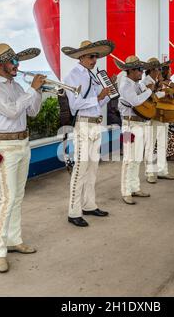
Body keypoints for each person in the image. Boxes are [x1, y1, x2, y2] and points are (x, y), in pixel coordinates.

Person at [0, 44, 45, 273]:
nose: (17, 66)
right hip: (4, 147)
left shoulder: (17, 86)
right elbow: (13, 111)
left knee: (19, 195)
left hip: (22, 144)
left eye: (17, 61)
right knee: (7, 198)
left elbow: (31, 111)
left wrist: (38, 91)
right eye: (12, 62)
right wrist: (32, 89)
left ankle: (14, 240)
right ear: (0, 64)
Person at [62, 40, 115, 227]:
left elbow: (97, 105)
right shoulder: (72, 76)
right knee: (80, 169)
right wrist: (98, 97)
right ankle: (73, 211)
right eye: (91, 56)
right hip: (83, 126)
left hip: (95, 124)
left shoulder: (92, 76)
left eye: (96, 56)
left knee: (93, 169)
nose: (95, 59)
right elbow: (75, 105)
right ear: (81, 56)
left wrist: (106, 95)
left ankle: (89, 204)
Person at [116, 56, 153, 205]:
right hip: (129, 125)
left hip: (138, 124)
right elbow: (136, 101)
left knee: (137, 158)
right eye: (139, 69)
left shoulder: (135, 84)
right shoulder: (125, 85)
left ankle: (134, 187)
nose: (141, 72)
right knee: (128, 159)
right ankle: (126, 190)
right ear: (131, 70)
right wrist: (149, 91)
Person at [142, 58, 174, 184]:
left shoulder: (157, 81)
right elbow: (151, 97)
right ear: (152, 69)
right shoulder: (146, 81)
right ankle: (150, 172)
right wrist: (165, 93)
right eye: (157, 69)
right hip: (152, 116)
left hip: (161, 115)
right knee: (151, 144)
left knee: (163, 143)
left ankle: (162, 170)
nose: (159, 71)